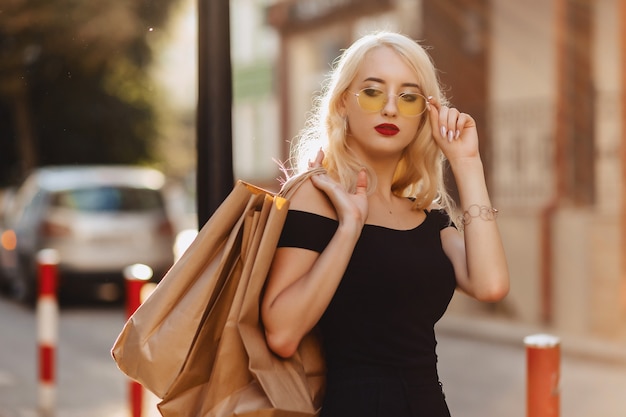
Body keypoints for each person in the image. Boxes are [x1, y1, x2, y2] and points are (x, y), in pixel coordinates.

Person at [261, 31, 509, 417]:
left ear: (424, 115)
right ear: (344, 102)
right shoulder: (317, 197)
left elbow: (490, 285)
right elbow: (281, 333)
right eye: (374, 92)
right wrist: (349, 227)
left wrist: (467, 163)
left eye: (408, 97)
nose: (391, 108)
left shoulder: (427, 217)